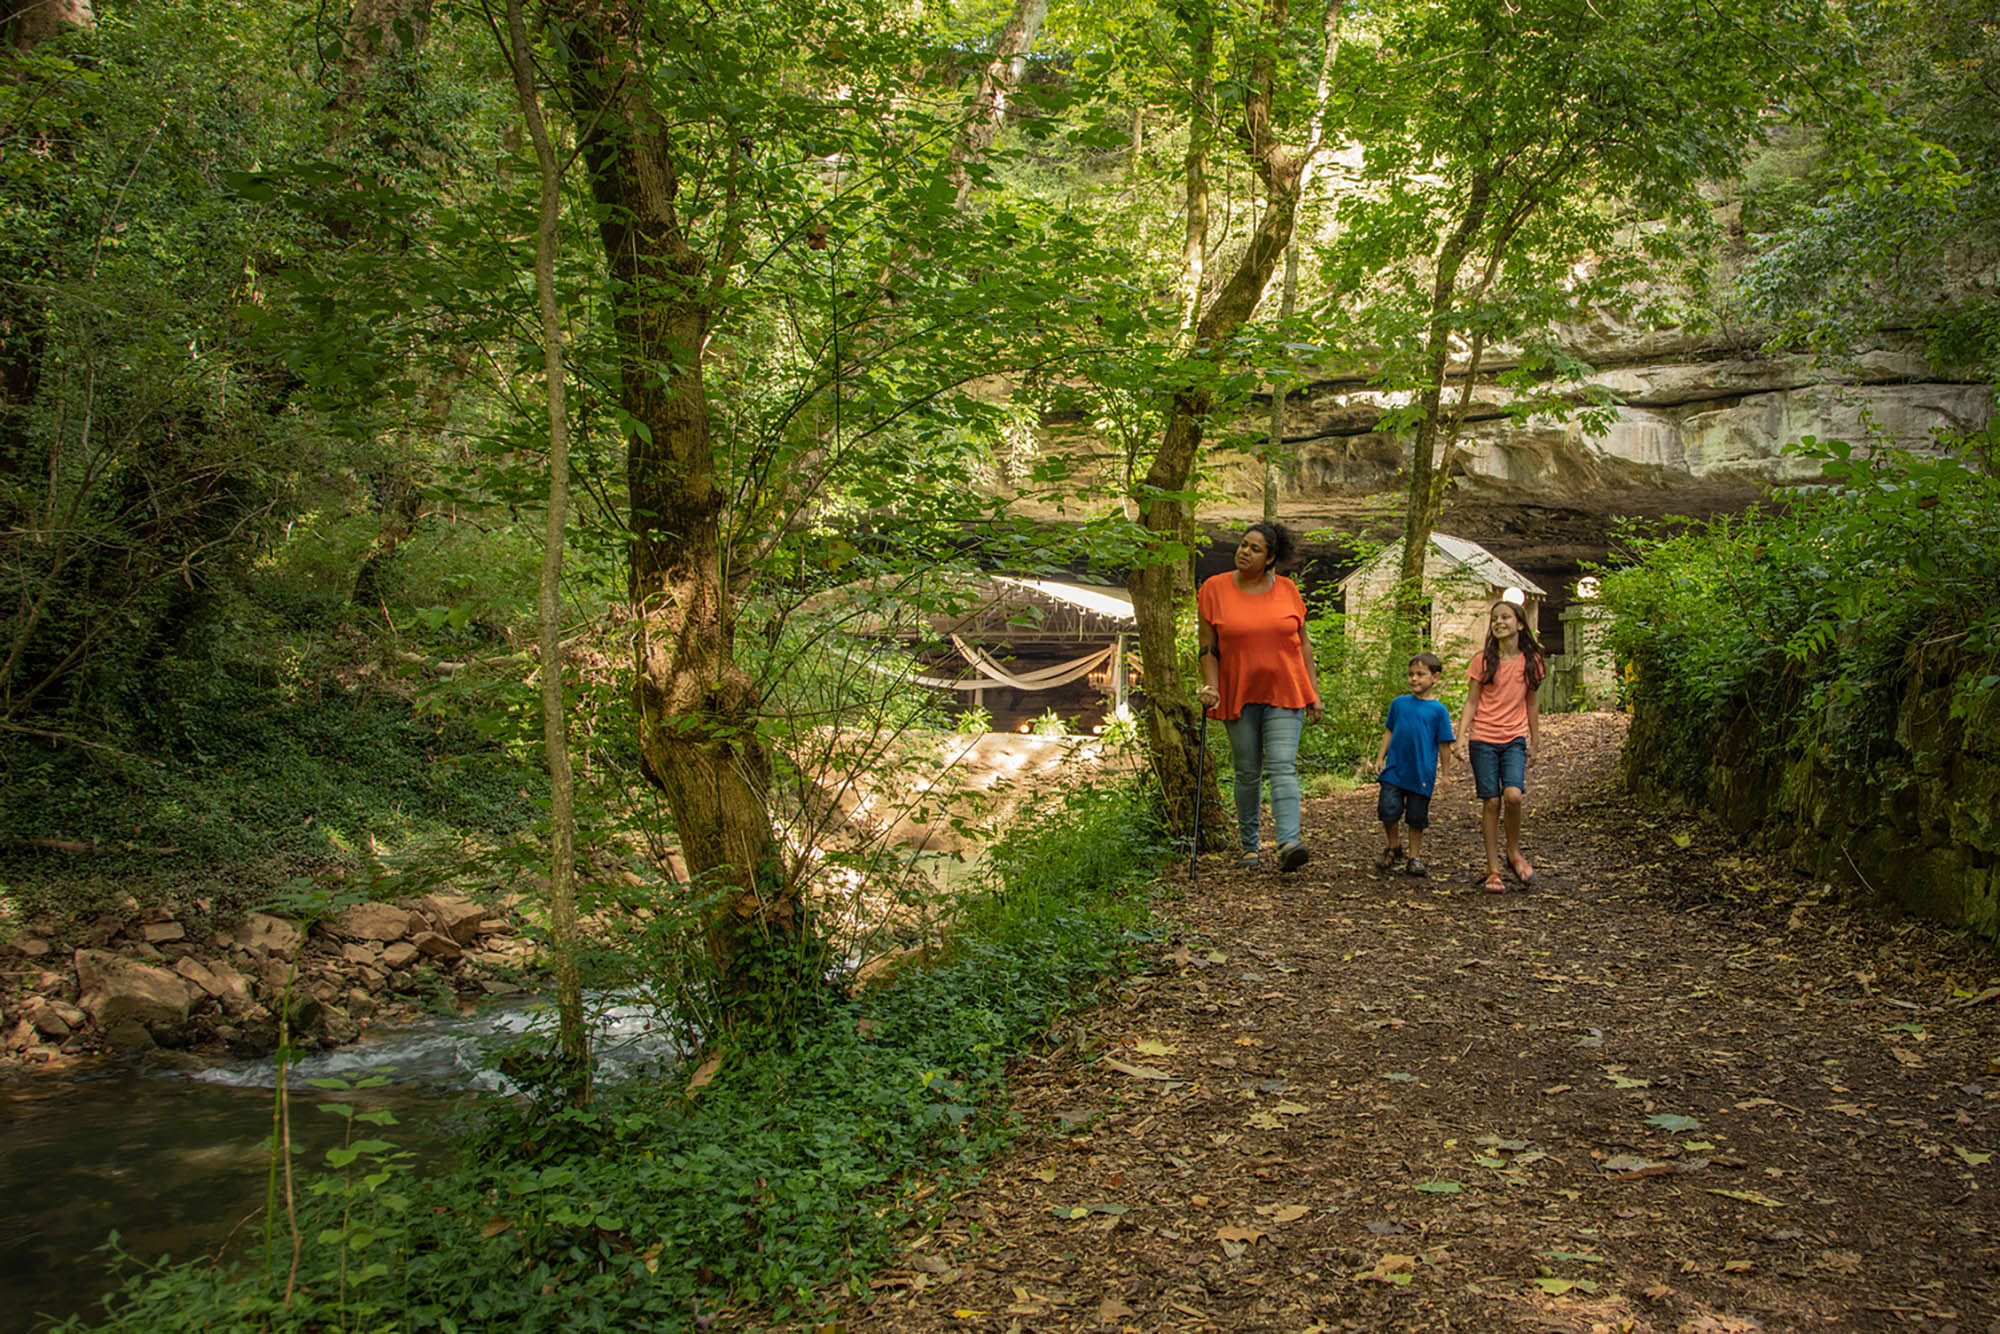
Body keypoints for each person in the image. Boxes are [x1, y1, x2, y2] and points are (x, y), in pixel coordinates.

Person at [1196, 522, 1324, 872]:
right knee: (1247, 771)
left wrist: (1314, 692)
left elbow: (1304, 643)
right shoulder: (1213, 589)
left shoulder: (1287, 590)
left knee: (1282, 765)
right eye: (1242, 545)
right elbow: (1207, 646)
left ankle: (1288, 843)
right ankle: (1250, 848)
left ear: (1270, 558)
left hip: (1286, 688)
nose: (1244, 551)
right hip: (1238, 690)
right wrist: (1211, 686)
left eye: (1254, 548)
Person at [1454, 599, 1546, 892]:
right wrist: (1460, 737)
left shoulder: (1531, 661)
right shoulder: (1483, 661)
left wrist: (1535, 742)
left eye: (1506, 617)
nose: (1499, 622)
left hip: (1514, 738)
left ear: (1520, 624)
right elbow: (1471, 701)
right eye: (1495, 618)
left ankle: (1514, 852)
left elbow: (1532, 703)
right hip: (1483, 738)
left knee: (1514, 796)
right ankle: (1493, 868)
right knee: (1491, 801)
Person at [1372, 652, 1455, 878]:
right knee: (1388, 809)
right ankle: (1394, 846)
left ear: (1435, 677)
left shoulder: (1439, 711)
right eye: (1410, 674)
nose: (1414, 679)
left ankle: (1414, 857)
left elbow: (1444, 744)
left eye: (1420, 674)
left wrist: (1445, 774)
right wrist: (1380, 757)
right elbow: (1389, 731)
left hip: (1421, 773)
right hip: (1395, 768)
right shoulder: (1399, 704)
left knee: (1417, 817)